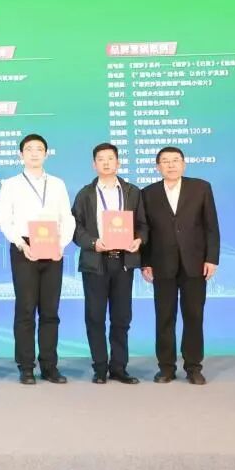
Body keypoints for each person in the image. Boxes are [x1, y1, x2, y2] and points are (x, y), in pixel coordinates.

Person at [0, 134, 75, 385]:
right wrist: (21, 245)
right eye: (29, 149)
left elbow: (67, 217)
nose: (34, 153)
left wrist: (61, 245)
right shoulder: (10, 184)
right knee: (26, 309)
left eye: (39, 149)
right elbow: (5, 219)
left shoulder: (57, 184)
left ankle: (50, 366)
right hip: (24, 247)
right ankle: (26, 366)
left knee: (50, 311)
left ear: (46, 154)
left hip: (52, 247)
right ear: (21, 155)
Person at [141, 146, 220, 385]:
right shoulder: (148, 193)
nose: (171, 165)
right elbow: (145, 230)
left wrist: (211, 258)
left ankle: (193, 367)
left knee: (194, 316)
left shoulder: (201, 188)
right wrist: (145, 262)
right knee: (164, 317)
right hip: (161, 264)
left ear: (184, 164)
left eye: (175, 160)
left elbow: (211, 226)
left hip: (194, 263)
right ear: (158, 167)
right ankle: (166, 367)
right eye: (165, 161)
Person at [71, 143, 149, 384]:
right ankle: (100, 368)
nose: (106, 163)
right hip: (96, 262)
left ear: (118, 163)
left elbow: (143, 225)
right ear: (94, 164)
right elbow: (75, 228)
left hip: (123, 262)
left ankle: (119, 367)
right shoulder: (85, 194)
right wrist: (93, 243)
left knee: (122, 317)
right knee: (95, 317)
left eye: (110, 158)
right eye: (101, 159)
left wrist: (139, 240)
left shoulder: (132, 192)